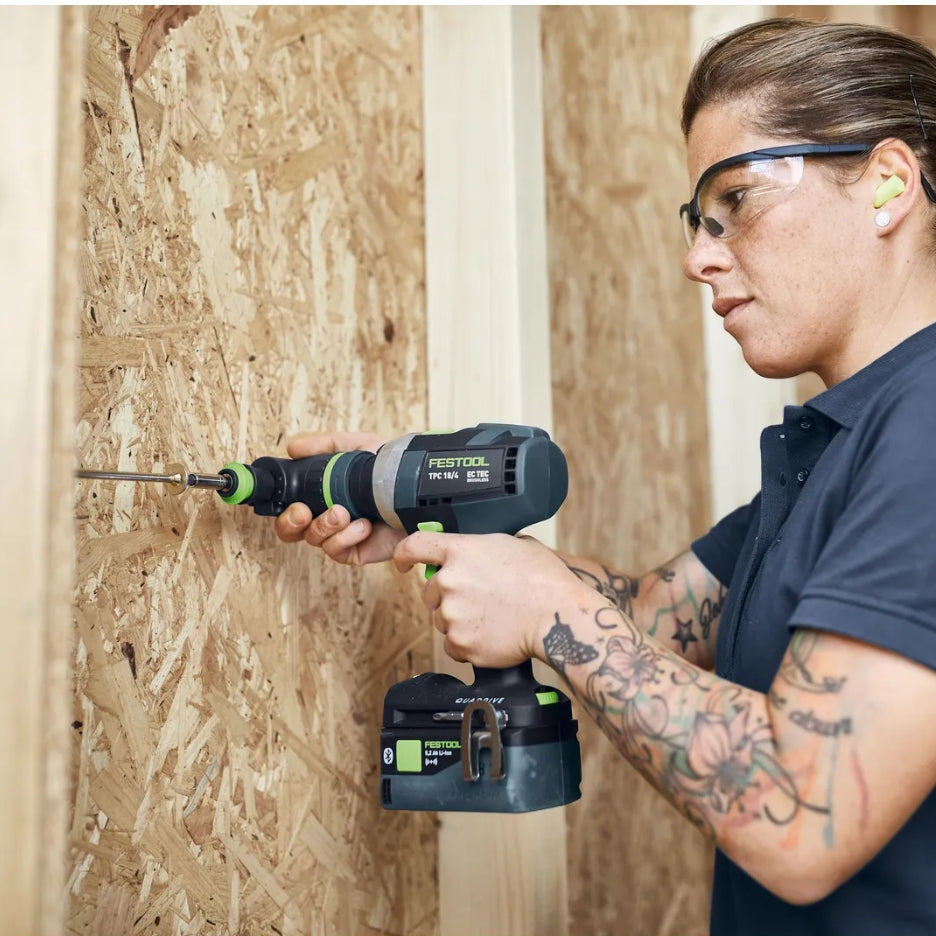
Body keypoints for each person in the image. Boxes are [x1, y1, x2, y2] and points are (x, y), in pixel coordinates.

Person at [275, 18, 936, 936]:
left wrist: (544, 604)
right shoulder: (841, 440)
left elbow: (805, 811)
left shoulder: (926, 431)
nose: (697, 257)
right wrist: (430, 516)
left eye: (736, 199)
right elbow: (655, 615)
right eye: (696, 220)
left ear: (888, 184)